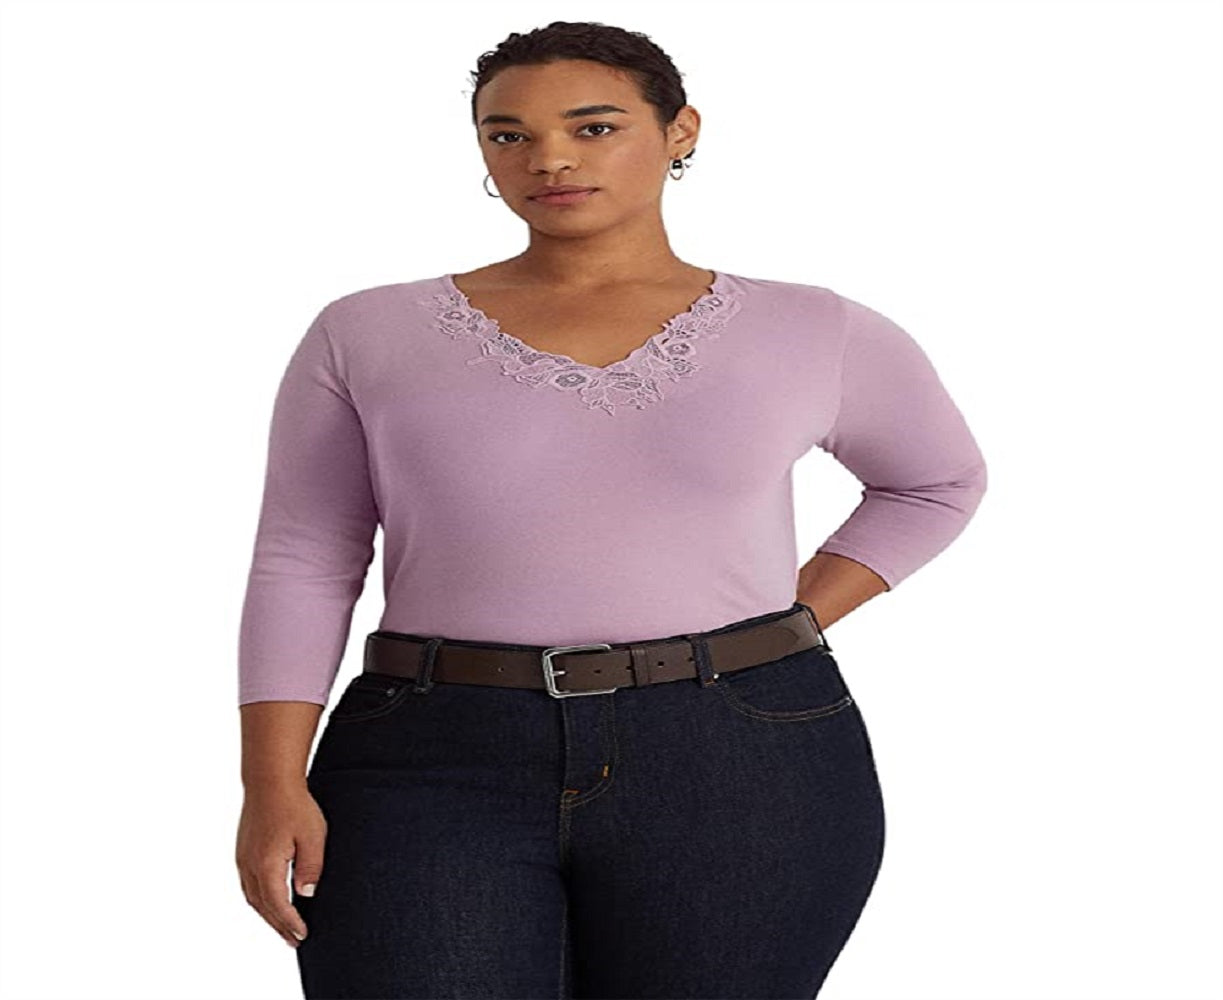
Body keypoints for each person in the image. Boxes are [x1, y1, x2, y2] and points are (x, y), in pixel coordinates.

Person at [234, 19, 988, 1000]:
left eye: (592, 128)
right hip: (429, 754)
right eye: (508, 135)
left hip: (739, 751)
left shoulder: (813, 328)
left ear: (680, 131)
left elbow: (935, 483)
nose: (547, 158)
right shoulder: (367, 331)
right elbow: (305, 555)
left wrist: (787, 616)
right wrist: (269, 781)